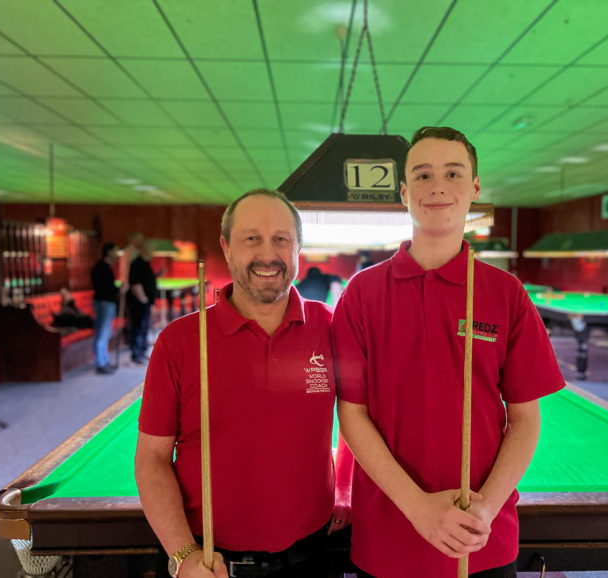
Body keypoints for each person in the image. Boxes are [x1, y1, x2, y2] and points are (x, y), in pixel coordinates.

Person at [332, 126, 565, 578]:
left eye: (453, 173)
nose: (437, 185)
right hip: (388, 539)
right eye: (421, 175)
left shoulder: (506, 293)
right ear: (403, 192)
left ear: (475, 187)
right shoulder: (362, 293)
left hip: (482, 539)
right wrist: (419, 509)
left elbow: (525, 419)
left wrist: (485, 510)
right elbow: (352, 416)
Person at [135, 189, 351, 578]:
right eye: (251, 239)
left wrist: (346, 487)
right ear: (227, 247)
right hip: (210, 562)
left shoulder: (331, 327)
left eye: (281, 240)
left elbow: (359, 419)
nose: (267, 255)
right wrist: (183, 555)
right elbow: (152, 459)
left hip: (312, 556)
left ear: (298, 247)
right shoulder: (180, 341)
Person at [127, 239, 158, 365]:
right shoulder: (137, 264)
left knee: (143, 327)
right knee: (138, 327)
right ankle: (136, 354)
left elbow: (147, 281)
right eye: (150, 249)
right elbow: (136, 285)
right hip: (138, 303)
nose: (152, 252)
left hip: (145, 302)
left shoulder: (145, 263)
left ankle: (142, 352)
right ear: (144, 250)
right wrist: (144, 300)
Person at [91, 242, 120, 375]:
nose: (117, 254)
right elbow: (104, 288)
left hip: (106, 303)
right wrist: (118, 289)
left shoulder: (106, 267)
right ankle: (100, 363)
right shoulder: (101, 267)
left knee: (105, 332)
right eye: (115, 251)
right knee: (102, 333)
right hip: (104, 303)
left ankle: (104, 360)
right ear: (108, 252)